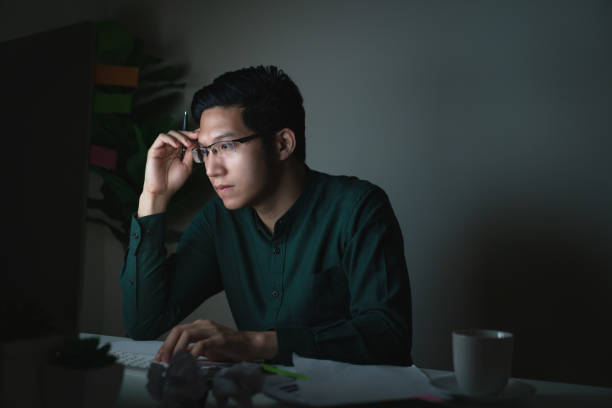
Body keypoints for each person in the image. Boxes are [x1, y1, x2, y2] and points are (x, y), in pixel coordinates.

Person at [120, 65, 412, 366]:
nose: (211, 169)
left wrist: (258, 343)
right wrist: (154, 195)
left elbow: (388, 335)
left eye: (225, 146)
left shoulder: (358, 208)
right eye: (205, 151)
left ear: (282, 143)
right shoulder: (219, 220)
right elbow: (144, 322)